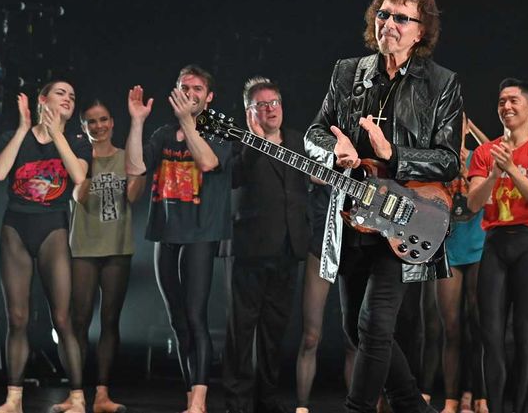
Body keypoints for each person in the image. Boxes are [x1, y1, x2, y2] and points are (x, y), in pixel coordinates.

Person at [304, 0, 463, 413]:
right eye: (384, 14)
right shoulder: (347, 72)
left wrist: (394, 154)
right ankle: (413, 406)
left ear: (421, 31)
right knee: (355, 330)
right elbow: (314, 132)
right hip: (352, 216)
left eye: (401, 18)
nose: (389, 24)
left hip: (403, 220)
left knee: (375, 327)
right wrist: (333, 150)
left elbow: (449, 160)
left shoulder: (442, 84)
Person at [125, 65, 233, 413]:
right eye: (184, 87)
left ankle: (199, 401)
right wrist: (137, 122)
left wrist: (188, 121)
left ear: (209, 97)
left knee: (195, 316)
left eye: (197, 88)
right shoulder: (162, 135)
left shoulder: (219, 131)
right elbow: (135, 167)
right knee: (177, 320)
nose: (190, 93)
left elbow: (208, 162)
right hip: (166, 234)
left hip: (200, 235)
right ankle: (191, 398)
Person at [0, 82, 90, 413]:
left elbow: (78, 176)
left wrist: (57, 133)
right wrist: (23, 129)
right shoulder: (16, 137)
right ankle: (13, 400)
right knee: (17, 317)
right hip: (16, 228)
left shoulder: (77, 141)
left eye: (72, 96)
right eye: (61, 93)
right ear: (42, 100)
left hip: (52, 228)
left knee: (62, 317)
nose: (68, 98)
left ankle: (77, 399)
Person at [468, 78, 528, 413]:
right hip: (495, 244)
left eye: (513, 100)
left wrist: (512, 170)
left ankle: (518, 407)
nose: (506, 106)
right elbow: (473, 203)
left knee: (524, 334)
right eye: (501, 101)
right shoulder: (485, 152)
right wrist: (495, 173)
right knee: (491, 335)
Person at [221, 77, 310, 413]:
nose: (271, 109)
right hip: (250, 250)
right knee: (241, 331)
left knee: (275, 331)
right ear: (250, 112)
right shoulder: (239, 140)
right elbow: (234, 177)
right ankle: (237, 402)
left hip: (289, 248)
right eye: (262, 105)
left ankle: (267, 399)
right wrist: (255, 142)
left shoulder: (298, 141)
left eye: (275, 102)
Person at [51, 101, 145, 413]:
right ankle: (76, 394)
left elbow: (133, 195)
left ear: (112, 123)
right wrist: (86, 161)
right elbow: (79, 195)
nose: (98, 126)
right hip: (83, 248)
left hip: (117, 247)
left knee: (110, 320)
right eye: (91, 121)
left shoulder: (126, 157)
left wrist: (136, 153)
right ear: (83, 126)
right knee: (78, 321)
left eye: (103, 119)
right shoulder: (77, 159)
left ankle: (102, 395)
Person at [420, 114, 488, 413]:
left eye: (458, 124)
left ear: (466, 127)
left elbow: (482, 198)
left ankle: (478, 395)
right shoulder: (434, 162)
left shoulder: (479, 157)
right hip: (447, 250)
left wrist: (466, 168)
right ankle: (450, 399)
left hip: (478, 248)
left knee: (478, 325)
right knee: (450, 327)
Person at [295, 182, 357, 413]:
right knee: (311, 337)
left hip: (355, 240)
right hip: (322, 238)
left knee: (354, 339)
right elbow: (310, 174)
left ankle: (357, 406)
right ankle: (302, 406)